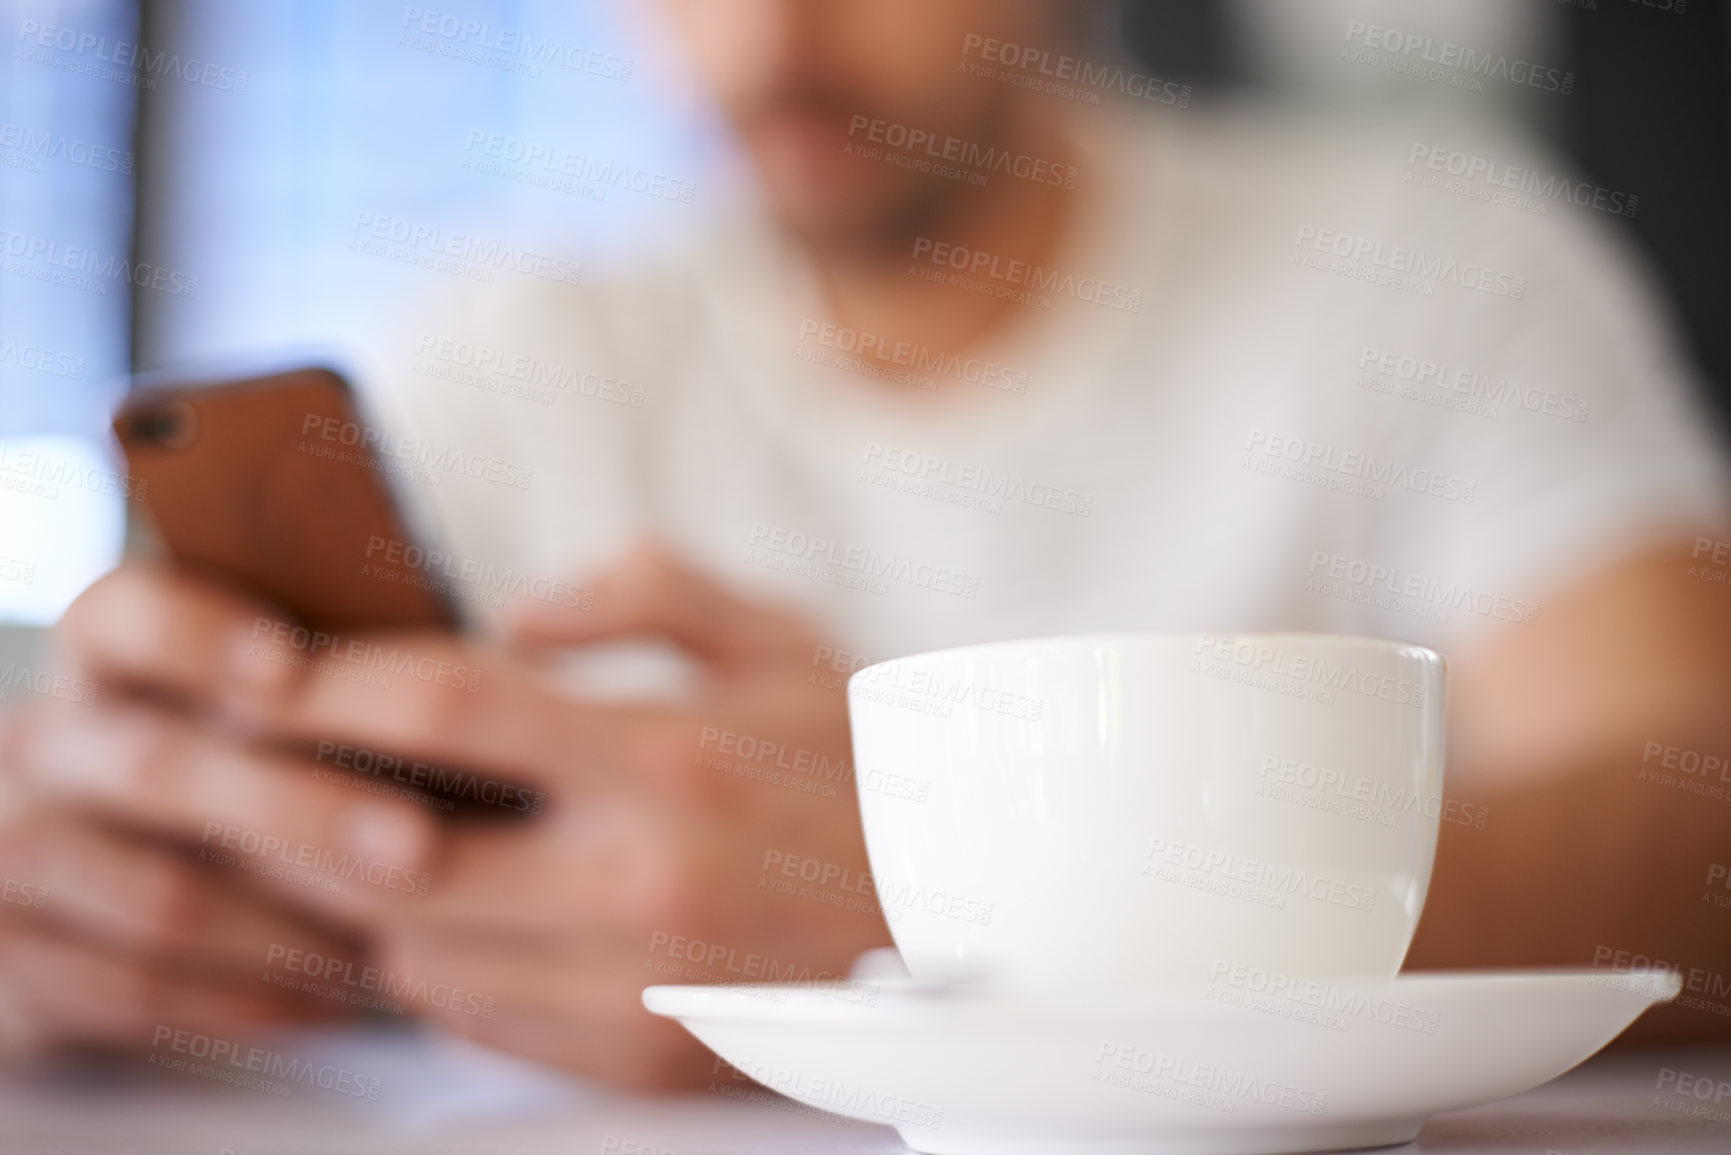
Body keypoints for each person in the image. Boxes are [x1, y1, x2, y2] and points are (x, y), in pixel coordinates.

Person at [2, 0, 1729, 1090]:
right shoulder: (520, 352)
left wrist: (943, 932)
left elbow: (1702, 823)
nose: (767, 34)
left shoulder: (1428, 255)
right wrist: (115, 890)